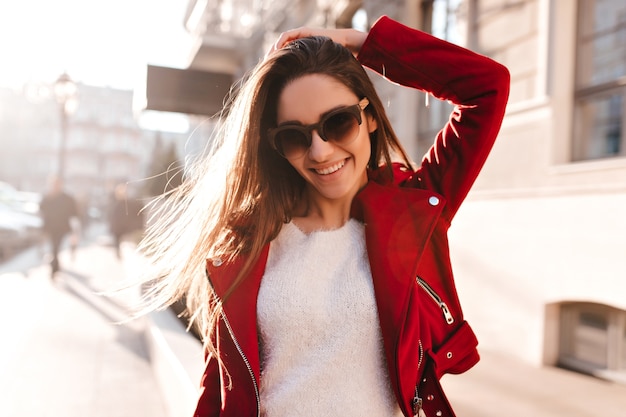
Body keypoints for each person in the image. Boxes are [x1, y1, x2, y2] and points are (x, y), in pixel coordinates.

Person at [138, 15, 509, 417]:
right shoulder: (245, 243)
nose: (320, 152)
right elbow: (222, 385)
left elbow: (486, 87)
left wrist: (362, 43)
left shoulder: (413, 213)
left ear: (368, 117)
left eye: (339, 122)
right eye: (295, 137)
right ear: (277, 147)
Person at [39, 175, 79, 277]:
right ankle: (55, 264)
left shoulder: (67, 198)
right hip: (50, 227)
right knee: (54, 246)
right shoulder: (48, 196)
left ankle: (55, 265)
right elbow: (41, 209)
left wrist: (75, 230)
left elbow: (74, 213)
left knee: (56, 246)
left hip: (62, 227)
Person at [108, 183, 144, 258]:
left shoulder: (128, 205)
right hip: (121, 232)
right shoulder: (118, 205)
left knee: (127, 252)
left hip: (127, 233)